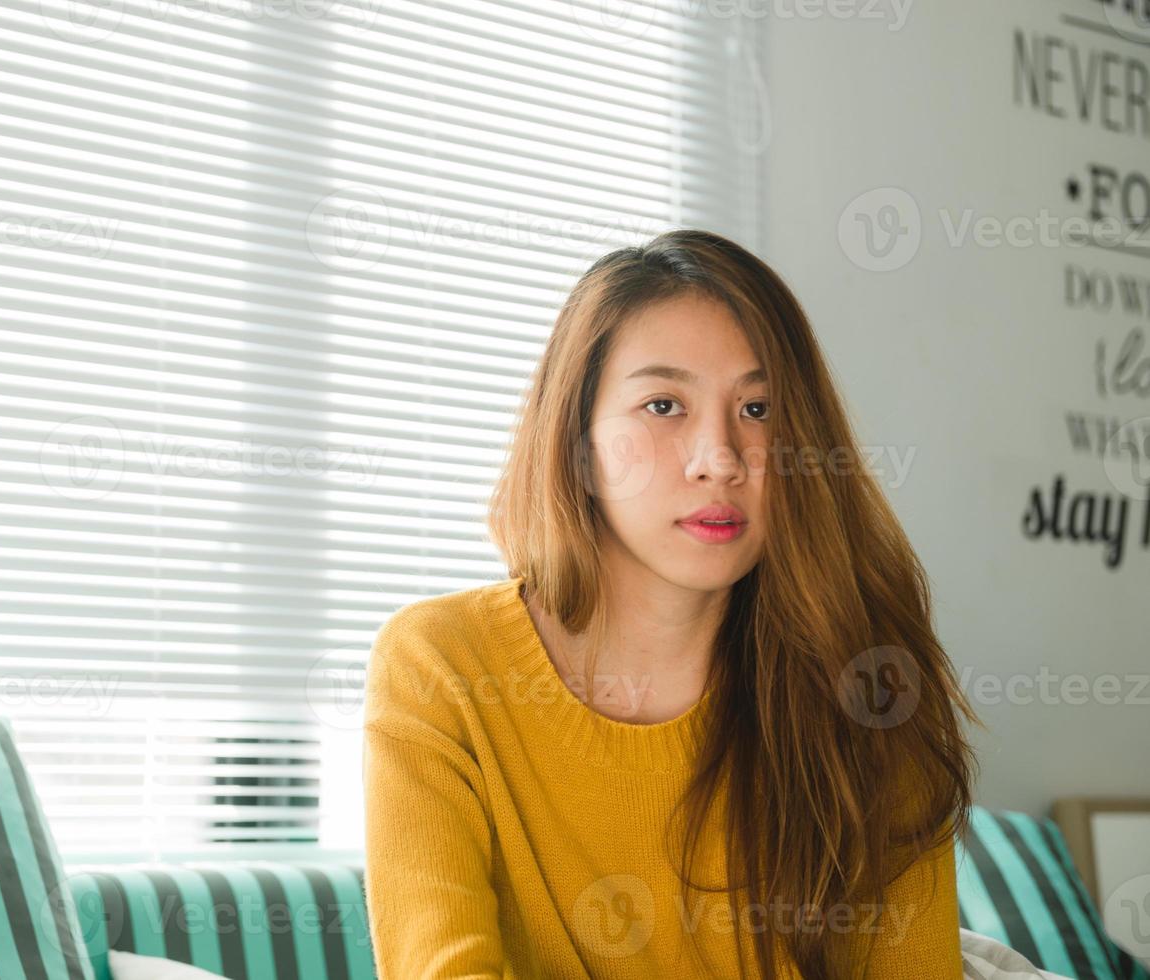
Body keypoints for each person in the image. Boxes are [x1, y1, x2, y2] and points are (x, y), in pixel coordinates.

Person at [360, 229, 983, 979]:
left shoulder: (867, 685)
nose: (719, 458)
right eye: (663, 405)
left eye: (759, 410)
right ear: (579, 445)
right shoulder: (440, 665)